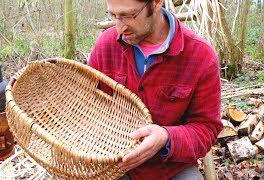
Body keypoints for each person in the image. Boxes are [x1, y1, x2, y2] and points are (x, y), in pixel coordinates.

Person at [88, 0, 223, 179]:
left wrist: (166, 137)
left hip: (169, 167)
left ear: (157, 3)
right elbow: (90, 105)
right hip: (114, 162)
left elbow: (206, 130)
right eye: (113, 15)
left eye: (129, 15)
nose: (119, 27)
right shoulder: (106, 45)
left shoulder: (201, 56)